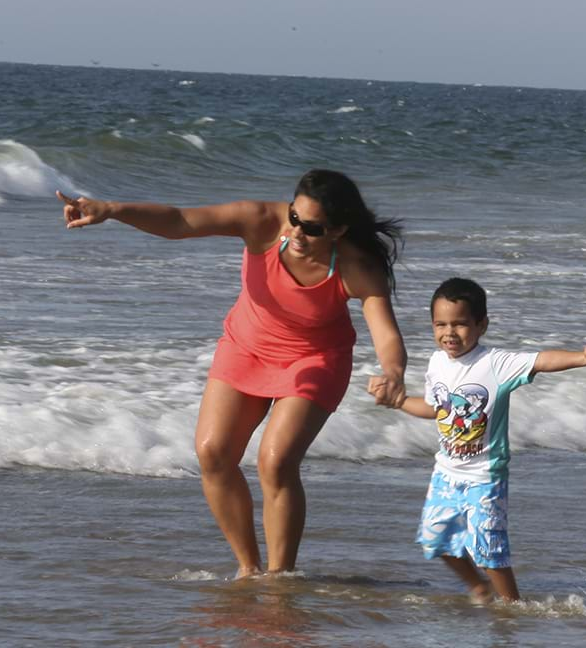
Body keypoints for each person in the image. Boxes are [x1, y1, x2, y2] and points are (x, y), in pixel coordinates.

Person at [55, 168, 409, 577]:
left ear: (338, 230)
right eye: (295, 217)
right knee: (213, 453)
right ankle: (248, 570)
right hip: (246, 346)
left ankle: (280, 578)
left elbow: (385, 333)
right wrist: (112, 210)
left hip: (315, 358)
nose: (296, 233)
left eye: (312, 228)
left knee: (275, 462)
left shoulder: (355, 266)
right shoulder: (258, 220)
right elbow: (179, 222)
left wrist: (393, 373)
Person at [378, 277, 586, 603]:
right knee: (434, 539)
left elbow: (541, 361)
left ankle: (512, 605)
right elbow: (434, 409)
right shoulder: (436, 362)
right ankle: (478, 588)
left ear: (481, 324)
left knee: (488, 547)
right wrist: (397, 401)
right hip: (445, 473)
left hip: (485, 475)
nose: (449, 333)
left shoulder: (495, 363)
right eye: (440, 324)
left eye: (460, 324)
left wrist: (583, 357)